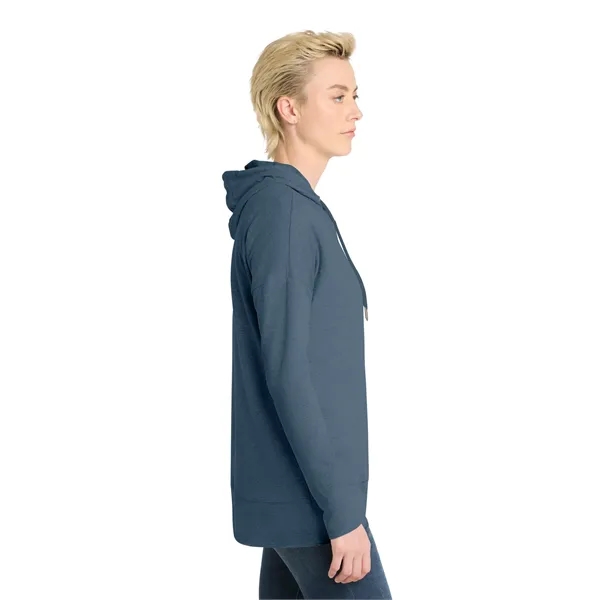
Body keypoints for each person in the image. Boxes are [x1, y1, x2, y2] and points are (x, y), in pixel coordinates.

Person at [222, 30, 392, 599]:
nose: (355, 111)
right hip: (313, 506)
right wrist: (342, 514)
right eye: (338, 96)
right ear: (289, 109)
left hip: (299, 495)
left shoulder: (293, 207)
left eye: (355, 95)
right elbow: (288, 373)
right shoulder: (285, 214)